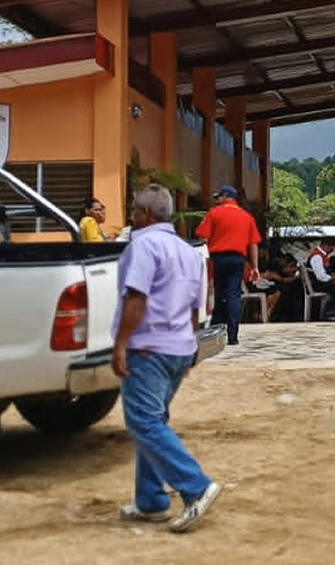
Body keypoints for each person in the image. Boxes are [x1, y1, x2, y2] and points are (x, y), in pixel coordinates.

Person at [111, 184, 223, 532]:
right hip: (178, 346)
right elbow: (195, 304)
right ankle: (151, 500)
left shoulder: (143, 245)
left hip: (148, 346)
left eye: (133, 211)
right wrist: (187, 348)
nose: (131, 217)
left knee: (144, 423)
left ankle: (195, 485)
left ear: (144, 214)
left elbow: (135, 297)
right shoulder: (187, 250)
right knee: (153, 421)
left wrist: (120, 344)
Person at [193, 186, 259, 345]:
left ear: (225, 197)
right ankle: (233, 335)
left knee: (219, 294)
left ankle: (217, 329)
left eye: (218, 197)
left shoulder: (213, 213)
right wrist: (255, 267)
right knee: (234, 295)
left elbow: (202, 238)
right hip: (237, 260)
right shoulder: (247, 217)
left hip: (218, 259)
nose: (216, 201)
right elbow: (253, 244)